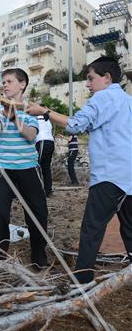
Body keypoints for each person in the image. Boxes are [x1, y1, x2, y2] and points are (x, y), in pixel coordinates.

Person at [26, 57, 132, 283]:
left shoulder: (102, 97)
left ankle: (81, 283)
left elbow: (75, 125)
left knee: (92, 231)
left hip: (109, 176)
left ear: (107, 78)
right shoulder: (128, 100)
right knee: (130, 231)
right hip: (129, 176)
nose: (88, 85)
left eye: (91, 78)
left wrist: (44, 111)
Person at [0, 68, 48, 267]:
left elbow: (31, 135)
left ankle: (39, 257)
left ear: (22, 84)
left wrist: (15, 117)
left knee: (37, 214)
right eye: (3, 82)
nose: (5, 85)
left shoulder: (30, 108)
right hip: (4, 169)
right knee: (0, 214)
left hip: (28, 168)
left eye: (9, 81)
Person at [36, 115, 55, 197]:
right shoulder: (47, 119)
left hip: (42, 141)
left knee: (37, 166)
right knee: (46, 168)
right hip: (50, 142)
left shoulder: (37, 118)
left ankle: (39, 190)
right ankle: (48, 191)